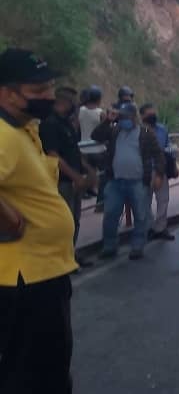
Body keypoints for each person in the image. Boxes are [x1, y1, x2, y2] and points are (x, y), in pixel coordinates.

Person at [0, 48, 78, 393]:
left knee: (52, 370)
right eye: (38, 90)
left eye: (50, 87)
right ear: (7, 93)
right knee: (32, 377)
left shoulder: (25, 130)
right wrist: (7, 219)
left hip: (46, 272)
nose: (49, 96)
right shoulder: (2, 135)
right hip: (25, 281)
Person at [92, 102, 165, 260]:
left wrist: (158, 174)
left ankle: (137, 246)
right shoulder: (115, 131)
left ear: (134, 117)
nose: (124, 120)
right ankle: (110, 246)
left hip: (138, 181)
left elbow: (158, 154)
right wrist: (108, 120)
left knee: (141, 215)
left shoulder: (145, 133)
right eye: (122, 117)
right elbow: (95, 136)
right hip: (116, 181)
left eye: (127, 117)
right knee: (110, 215)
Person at [40, 86, 97, 268]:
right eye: (74, 103)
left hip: (74, 179)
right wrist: (75, 177)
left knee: (74, 220)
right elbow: (53, 156)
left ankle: (70, 255)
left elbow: (74, 150)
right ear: (64, 102)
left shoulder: (67, 124)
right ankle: (60, 259)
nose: (76, 106)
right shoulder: (50, 124)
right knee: (63, 222)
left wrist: (87, 170)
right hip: (62, 182)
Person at [140, 103, 175, 241]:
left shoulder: (162, 129)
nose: (152, 116)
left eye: (153, 113)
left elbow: (167, 147)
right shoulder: (139, 130)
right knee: (144, 200)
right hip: (144, 170)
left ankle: (160, 228)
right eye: (149, 114)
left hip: (160, 169)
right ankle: (148, 228)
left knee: (163, 199)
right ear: (142, 115)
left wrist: (173, 166)